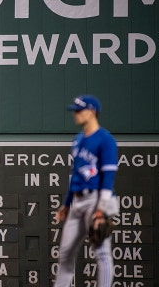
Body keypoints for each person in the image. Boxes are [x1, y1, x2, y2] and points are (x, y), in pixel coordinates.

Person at [53, 95, 119, 287]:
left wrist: (102, 208)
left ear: (91, 112)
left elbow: (108, 176)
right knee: (65, 252)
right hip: (78, 201)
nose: (75, 114)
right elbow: (75, 175)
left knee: (102, 252)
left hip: (97, 198)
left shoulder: (105, 140)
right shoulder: (78, 140)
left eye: (79, 110)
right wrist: (66, 204)